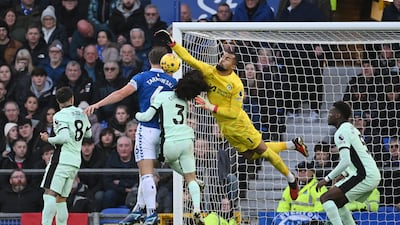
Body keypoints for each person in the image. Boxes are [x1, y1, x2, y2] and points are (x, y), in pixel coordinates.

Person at [155, 30, 309, 201]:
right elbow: (189, 58)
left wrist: (210, 106)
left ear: (234, 65)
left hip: (240, 125)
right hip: (226, 129)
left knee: (263, 151)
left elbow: (234, 112)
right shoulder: (209, 71)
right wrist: (173, 44)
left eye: (227, 58)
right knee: (250, 155)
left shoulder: (236, 85)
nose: (222, 59)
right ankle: (292, 144)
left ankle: (291, 179)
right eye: (223, 56)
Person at [85, 46, 177, 225]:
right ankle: (138, 209)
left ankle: (151, 213)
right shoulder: (172, 82)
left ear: (150, 61)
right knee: (145, 171)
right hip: (165, 132)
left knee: (146, 172)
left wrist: (98, 104)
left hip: (147, 128)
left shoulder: (142, 77)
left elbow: (120, 94)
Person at [133, 70, 209, 224]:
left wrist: (137, 116)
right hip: (187, 140)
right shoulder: (184, 102)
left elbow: (147, 116)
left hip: (170, 143)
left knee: (163, 164)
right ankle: (196, 209)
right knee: (191, 178)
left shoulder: (162, 96)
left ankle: (144, 208)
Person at [316, 101, 381, 225]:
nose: (328, 115)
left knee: (325, 198)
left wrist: (326, 179)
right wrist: (345, 173)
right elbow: (355, 157)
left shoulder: (341, 132)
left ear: (337, 115)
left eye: (331, 113)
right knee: (338, 204)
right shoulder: (351, 129)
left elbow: (345, 161)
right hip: (369, 174)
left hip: (364, 175)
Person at [39, 86, 92, 225]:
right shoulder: (82, 113)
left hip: (61, 159)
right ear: (72, 98)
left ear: (58, 101)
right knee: (61, 198)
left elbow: (63, 137)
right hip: (75, 161)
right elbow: (88, 134)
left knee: (49, 194)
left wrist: (47, 140)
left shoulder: (59, 115)